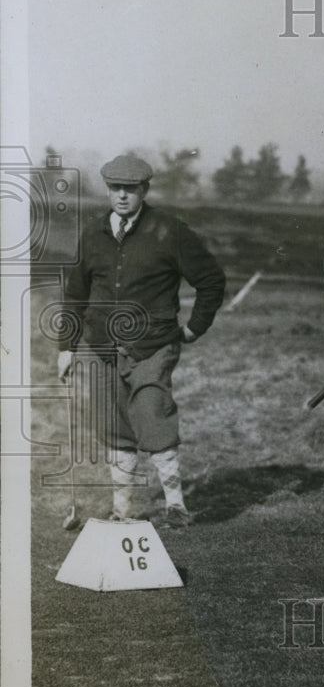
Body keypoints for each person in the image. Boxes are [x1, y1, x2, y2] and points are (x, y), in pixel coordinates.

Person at [57, 154, 226, 527]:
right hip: (99, 348)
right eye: (115, 188)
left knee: (153, 415)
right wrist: (66, 348)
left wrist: (195, 327)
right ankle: (123, 510)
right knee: (114, 428)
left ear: (144, 190)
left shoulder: (171, 231)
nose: (121, 196)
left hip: (153, 346)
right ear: (107, 190)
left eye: (130, 189)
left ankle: (176, 505)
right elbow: (75, 295)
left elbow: (211, 281)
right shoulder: (92, 233)